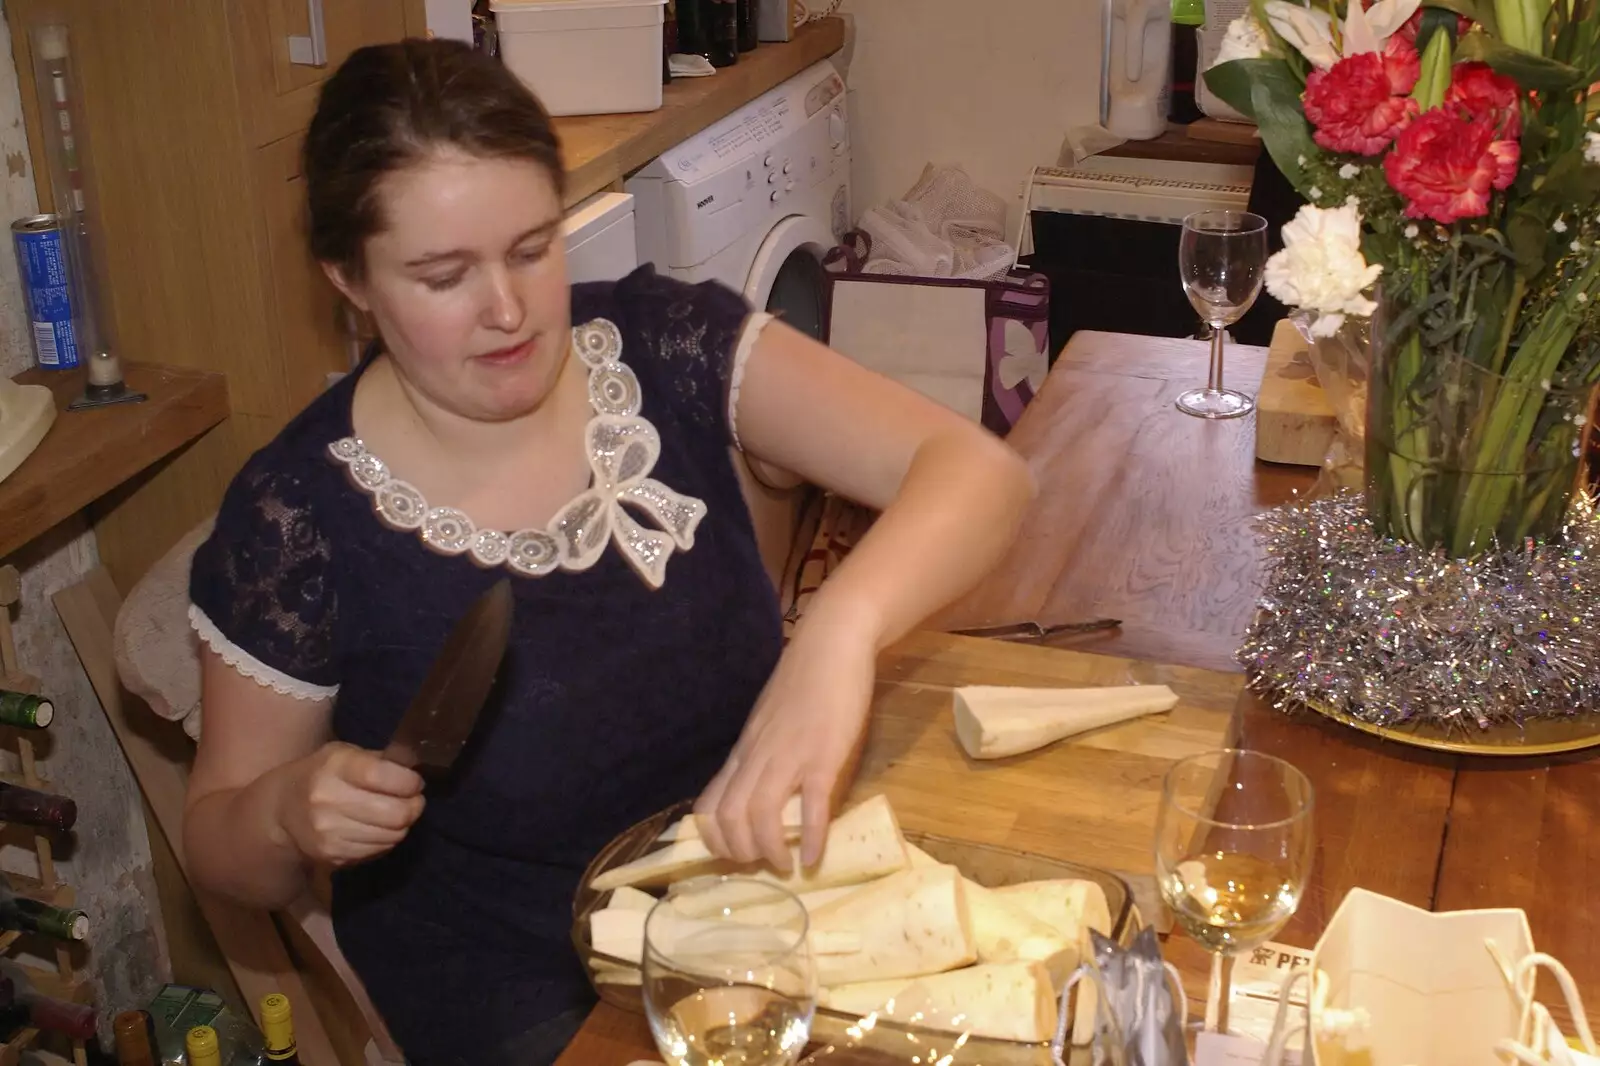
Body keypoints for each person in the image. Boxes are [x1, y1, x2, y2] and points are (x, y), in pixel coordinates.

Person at [181, 37, 1034, 1066]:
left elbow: (982, 476)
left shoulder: (662, 345)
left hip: (760, 910)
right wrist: (285, 812)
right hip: (536, 998)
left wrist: (838, 633)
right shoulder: (298, 515)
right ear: (348, 278)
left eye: (533, 248)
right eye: (443, 274)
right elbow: (222, 848)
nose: (506, 309)